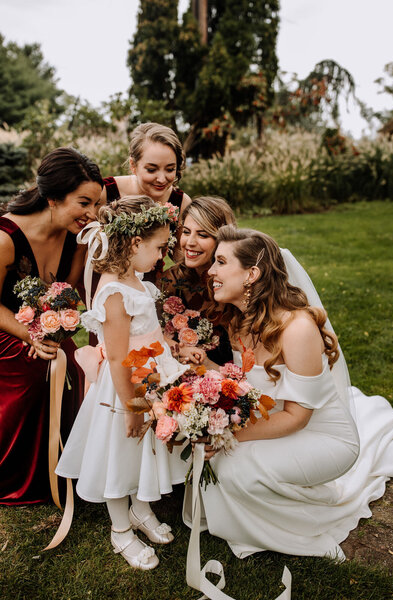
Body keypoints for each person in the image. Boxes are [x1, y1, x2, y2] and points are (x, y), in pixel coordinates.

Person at [184, 225, 393, 560]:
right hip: (278, 420)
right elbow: (248, 383)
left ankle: (301, 530)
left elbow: (298, 417)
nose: (210, 271)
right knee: (224, 465)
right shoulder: (239, 321)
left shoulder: (296, 328)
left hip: (324, 437)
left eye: (221, 262)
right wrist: (205, 368)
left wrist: (229, 437)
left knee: (235, 468)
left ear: (252, 274)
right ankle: (262, 521)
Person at [56, 196, 189, 571]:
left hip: (151, 377)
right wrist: (133, 408)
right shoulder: (114, 292)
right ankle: (120, 529)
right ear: (134, 244)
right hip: (124, 391)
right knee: (121, 454)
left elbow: (150, 337)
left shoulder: (138, 281)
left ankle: (141, 510)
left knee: (147, 450)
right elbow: (115, 357)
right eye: (160, 247)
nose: (162, 255)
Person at [0, 147, 103, 505]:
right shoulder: (5, 238)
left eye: (96, 204)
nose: (92, 214)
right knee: (36, 368)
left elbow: (70, 290)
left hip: (47, 326)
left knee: (81, 357)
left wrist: (55, 329)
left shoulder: (77, 234)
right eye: (84, 203)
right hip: (7, 327)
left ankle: (72, 462)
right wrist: (31, 334)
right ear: (53, 198)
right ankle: (19, 473)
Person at [101, 122, 191, 281]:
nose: (162, 179)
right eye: (151, 169)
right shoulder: (106, 192)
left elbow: (181, 256)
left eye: (170, 169)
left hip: (149, 286)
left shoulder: (180, 202)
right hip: (105, 284)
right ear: (133, 165)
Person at [159, 196, 236, 366]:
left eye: (202, 235)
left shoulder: (236, 282)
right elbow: (146, 334)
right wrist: (176, 348)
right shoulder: (169, 281)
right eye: (186, 232)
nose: (190, 243)